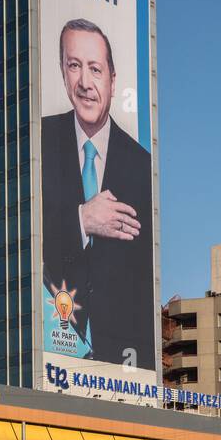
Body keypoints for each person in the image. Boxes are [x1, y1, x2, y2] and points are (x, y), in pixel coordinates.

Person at [41, 18, 155, 367]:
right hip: (46, 353)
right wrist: (81, 220)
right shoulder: (38, 143)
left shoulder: (143, 166)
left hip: (121, 369)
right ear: (62, 72)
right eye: (74, 66)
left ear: (113, 79)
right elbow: (19, 239)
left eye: (95, 69)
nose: (85, 83)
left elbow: (145, 286)